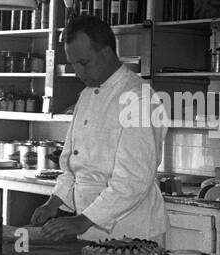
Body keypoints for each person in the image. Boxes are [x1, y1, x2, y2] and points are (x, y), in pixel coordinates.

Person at [32, 15, 168, 242]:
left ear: (106, 53)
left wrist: (82, 221)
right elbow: (71, 167)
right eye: (73, 64)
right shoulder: (85, 95)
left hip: (131, 230)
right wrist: (54, 202)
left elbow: (132, 181)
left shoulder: (139, 98)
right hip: (87, 227)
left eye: (84, 63)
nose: (78, 72)